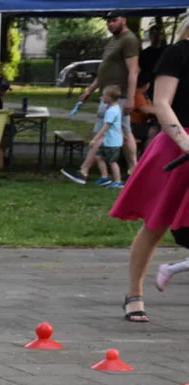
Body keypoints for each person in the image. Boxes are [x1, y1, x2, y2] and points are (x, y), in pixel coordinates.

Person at [110, 17, 189, 318]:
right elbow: (162, 102)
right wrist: (183, 141)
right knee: (155, 225)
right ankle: (134, 293)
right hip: (176, 143)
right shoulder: (178, 53)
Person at [80, 13, 141, 173]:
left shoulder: (129, 40)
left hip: (118, 96)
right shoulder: (113, 40)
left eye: (114, 20)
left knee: (118, 133)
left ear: (124, 19)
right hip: (107, 95)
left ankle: (85, 170)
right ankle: (133, 169)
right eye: (108, 21)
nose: (110, 24)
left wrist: (130, 98)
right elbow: (104, 70)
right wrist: (89, 90)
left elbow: (133, 71)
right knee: (123, 132)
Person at [62, 85, 125, 188]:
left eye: (103, 95)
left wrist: (95, 139)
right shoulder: (116, 108)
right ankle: (105, 177)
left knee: (112, 161)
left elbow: (105, 127)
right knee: (98, 156)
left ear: (108, 98)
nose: (102, 97)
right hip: (109, 140)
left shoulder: (111, 111)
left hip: (112, 141)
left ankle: (117, 181)